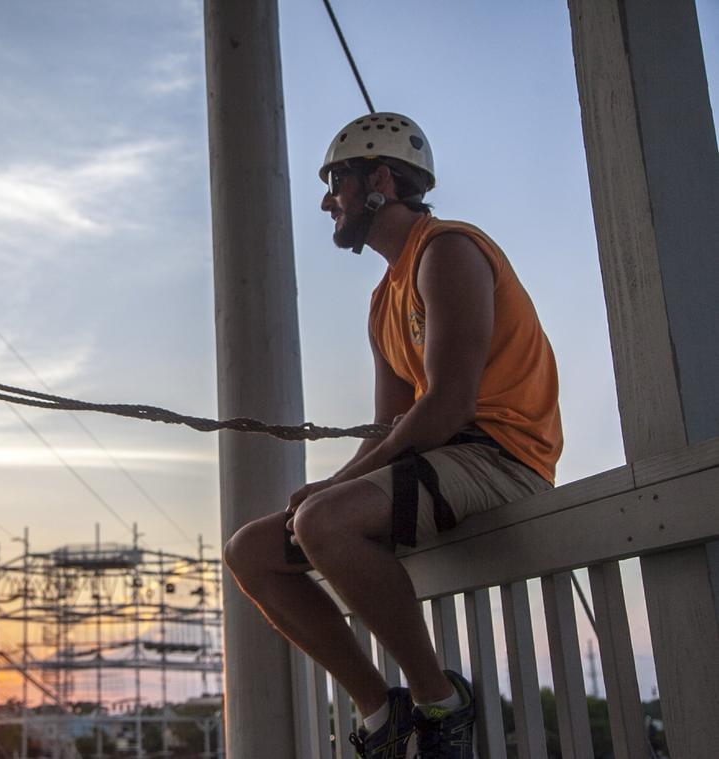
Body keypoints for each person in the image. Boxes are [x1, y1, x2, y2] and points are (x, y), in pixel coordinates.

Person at [222, 113, 562, 758]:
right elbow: (387, 427)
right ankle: (383, 714)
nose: (327, 201)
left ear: (380, 180)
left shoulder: (449, 250)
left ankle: (442, 702)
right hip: (439, 460)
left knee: (324, 520)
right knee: (251, 551)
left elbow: (449, 403)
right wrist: (329, 486)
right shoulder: (384, 299)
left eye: (337, 183)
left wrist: (334, 491)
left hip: (501, 455)